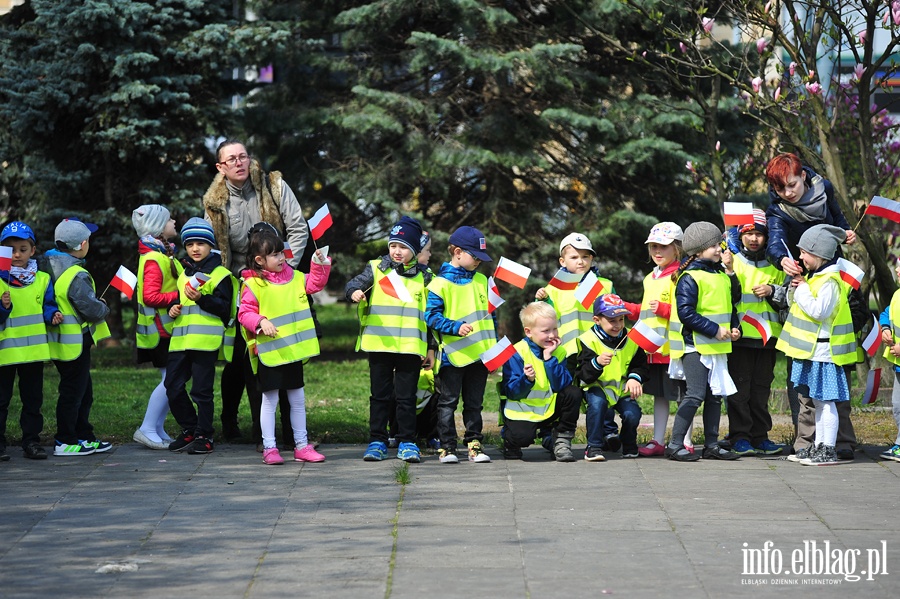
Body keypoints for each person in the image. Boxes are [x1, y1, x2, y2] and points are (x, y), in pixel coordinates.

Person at [203, 139, 309, 443]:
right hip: (243, 286)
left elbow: (298, 229)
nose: (239, 163)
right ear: (221, 168)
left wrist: (286, 270)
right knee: (241, 361)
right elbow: (217, 248)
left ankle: (291, 433)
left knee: (288, 353)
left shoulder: (273, 186)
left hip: (281, 280)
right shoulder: (214, 201)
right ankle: (238, 424)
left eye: (243, 156)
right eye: (231, 159)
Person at [764, 152, 859, 459]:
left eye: (791, 185)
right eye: (780, 190)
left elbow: (838, 216)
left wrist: (846, 232)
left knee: (833, 386)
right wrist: (785, 261)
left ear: (802, 176)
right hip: (801, 274)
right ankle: (808, 443)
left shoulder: (825, 187)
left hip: (832, 273)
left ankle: (838, 444)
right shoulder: (777, 210)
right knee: (806, 385)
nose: (787, 193)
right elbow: (775, 241)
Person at [238, 226, 330, 465]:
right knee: (270, 401)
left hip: (294, 352)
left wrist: (321, 264)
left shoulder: (296, 277)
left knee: (297, 400)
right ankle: (270, 447)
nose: (282, 258)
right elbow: (244, 314)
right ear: (259, 260)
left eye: (282, 252)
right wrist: (261, 321)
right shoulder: (252, 285)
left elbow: (315, 284)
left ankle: (302, 446)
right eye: (275, 254)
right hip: (270, 353)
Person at [346, 216, 431, 463]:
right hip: (380, 344)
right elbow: (353, 283)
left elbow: (433, 314)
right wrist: (354, 292)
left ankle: (407, 441)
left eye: (403, 247)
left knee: (406, 398)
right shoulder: (376, 268)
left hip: (410, 348)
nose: (397, 251)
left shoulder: (426, 277)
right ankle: (377, 441)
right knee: (379, 396)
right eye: (393, 245)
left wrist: (431, 348)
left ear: (414, 250)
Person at [778, 225, 855, 465]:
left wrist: (801, 291)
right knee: (819, 401)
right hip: (813, 352)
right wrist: (798, 289)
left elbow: (819, 311)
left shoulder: (830, 281)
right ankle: (819, 446)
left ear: (819, 253)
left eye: (804, 252)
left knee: (826, 402)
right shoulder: (817, 278)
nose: (799, 257)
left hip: (824, 352)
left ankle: (827, 448)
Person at [666, 222, 741, 462]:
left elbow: (733, 300)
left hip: (716, 344)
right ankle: (675, 444)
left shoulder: (720, 273)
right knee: (695, 395)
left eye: (719, 244)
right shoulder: (689, 278)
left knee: (714, 396)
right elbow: (686, 313)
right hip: (695, 346)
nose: (720, 249)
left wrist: (734, 328)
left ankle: (711, 444)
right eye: (713, 245)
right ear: (698, 251)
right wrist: (714, 330)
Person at [165, 218, 236, 455]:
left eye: (201, 243)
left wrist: (202, 298)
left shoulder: (221, 275)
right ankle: (190, 429)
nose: (195, 248)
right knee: (172, 386)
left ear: (210, 245)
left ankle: (204, 435)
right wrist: (173, 308)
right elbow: (179, 301)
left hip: (204, 343)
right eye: (190, 244)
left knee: (201, 392)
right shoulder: (183, 274)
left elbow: (225, 309)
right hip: (180, 342)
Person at [720, 210, 788, 456]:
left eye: (759, 233)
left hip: (768, 339)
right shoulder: (732, 261)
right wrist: (728, 270)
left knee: (761, 390)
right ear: (741, 235)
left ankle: (761, 436)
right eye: (748, 233)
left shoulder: (777, 264)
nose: (754, 239)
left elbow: (788, 298)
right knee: (740, 390)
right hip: (741, 339)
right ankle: (739, 436)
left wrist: (772, 290)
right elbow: (727, 296)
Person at [426, 225, 495, 464]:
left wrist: (493, 354)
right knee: (447, 403)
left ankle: (474, 443)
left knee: (474, 404)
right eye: (474, 256)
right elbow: (431, 317)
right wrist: (455, 327)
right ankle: (447, 447)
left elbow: (491, 319)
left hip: (479, 356)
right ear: (457, 252)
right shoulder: (438, 284)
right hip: (452, 356)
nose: (478, 262)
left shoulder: (482, 281)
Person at [43, 218, 112, 456]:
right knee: (74, 392)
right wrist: (103, 306)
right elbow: (91, 309)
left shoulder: (47, 264)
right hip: (75, 342)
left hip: (60, 340)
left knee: (82, 390)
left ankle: (84, 435)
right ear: (83, 244)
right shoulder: (76, 274)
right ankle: (65, 440)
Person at [0, 222, 62, 461]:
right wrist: (3, 308)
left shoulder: (43, 279)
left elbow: (47, 306)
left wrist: (52, 315)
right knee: (1, 401)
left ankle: (31, 442)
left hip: (33, 354)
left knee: (33, 401)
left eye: (22, 248)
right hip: (4, 354)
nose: (16, 254)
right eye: (10, 249)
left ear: (32, 250)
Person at [634, 222, 690, 457]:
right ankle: (657, 440)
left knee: (681, 396)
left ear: (677, 248)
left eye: (663, 247)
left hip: (674, 348)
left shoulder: (681, 275)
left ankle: (684, 440)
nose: (657, 251)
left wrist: (666, 310)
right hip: (652, 348)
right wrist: (628, 309)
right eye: (654, 246)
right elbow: (646, 309)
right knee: (659, 394)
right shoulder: (649, 278)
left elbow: (686, 309)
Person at [500, 302, 581, 462]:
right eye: (546, 331)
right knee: (522, 438)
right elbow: (511, 392)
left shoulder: (559, 350)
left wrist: (549, 359)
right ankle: (510, 441)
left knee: (574, 392)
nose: (552, 335)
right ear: (528, 332)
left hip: (548, 409)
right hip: (523, 410)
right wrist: (526, 379)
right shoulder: (516, 352)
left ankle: (560, 441)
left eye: (554, 329)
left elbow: (562, 385)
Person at [131, 205, 182, 450]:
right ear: (158, 226)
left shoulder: (161, 252)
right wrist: (178, 294)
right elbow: (151, 296)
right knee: (170, 380)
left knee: (171, 379)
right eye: (169, 218)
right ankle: (147, 427)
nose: (174, 221)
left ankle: (157, 428)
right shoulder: (154, 258)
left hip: (165, 328)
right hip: (161, 330)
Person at [575, 294, 647, 461]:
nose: (618, 325)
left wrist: (635, 378)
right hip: (597, 386)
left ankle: (628, 445)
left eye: (621, 320)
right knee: (597, 404)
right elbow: (582, 375)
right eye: (612, 320)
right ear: (597, 320)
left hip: (622, 389)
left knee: (632, 414)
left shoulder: (631, 339)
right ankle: (593, 446)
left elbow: (641, 365)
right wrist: (597, 363)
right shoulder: (587, 340)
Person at [535, 233, 614, 356]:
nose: (580, 262)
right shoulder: (553, 289)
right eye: (574, 257)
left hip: (598, 351)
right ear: (562, 261)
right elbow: (541, 319)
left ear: (591, 258)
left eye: (585, 257)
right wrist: (543, 299)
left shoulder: (605, 285)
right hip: (565, 352)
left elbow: (616, 317)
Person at [879, 265, 900, 462]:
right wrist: (885, 327)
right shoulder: (897, 295)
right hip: (899, 366)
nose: (897, 269)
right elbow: (887, 313)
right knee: (897, 405)